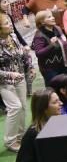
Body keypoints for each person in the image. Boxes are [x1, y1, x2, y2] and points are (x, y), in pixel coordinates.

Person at [1, 12, 33, 152]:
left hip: (19, 77)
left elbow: (22, 54)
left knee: (23, 107)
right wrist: (10, 74)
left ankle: (20, 137)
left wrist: (30, 67)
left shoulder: (13, 37)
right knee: (15, 107)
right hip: (3, 82)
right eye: (7, 23)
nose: (11, 25)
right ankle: (10, 141)